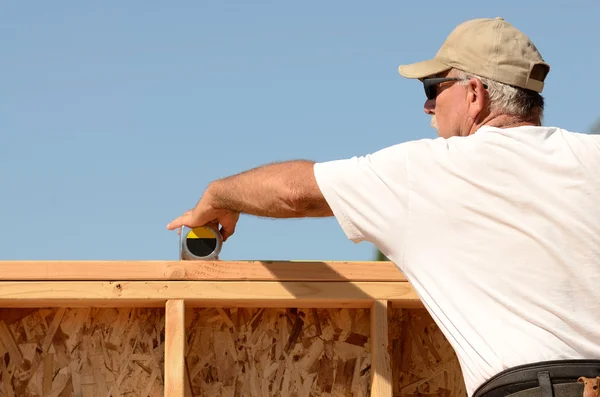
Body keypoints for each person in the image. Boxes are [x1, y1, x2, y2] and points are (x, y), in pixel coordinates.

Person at [167, 17, 600, 397]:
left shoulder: (430, 171)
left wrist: (217, 195)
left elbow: (294, 191)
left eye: (435, 88)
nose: (428, 105)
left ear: (474, 94)